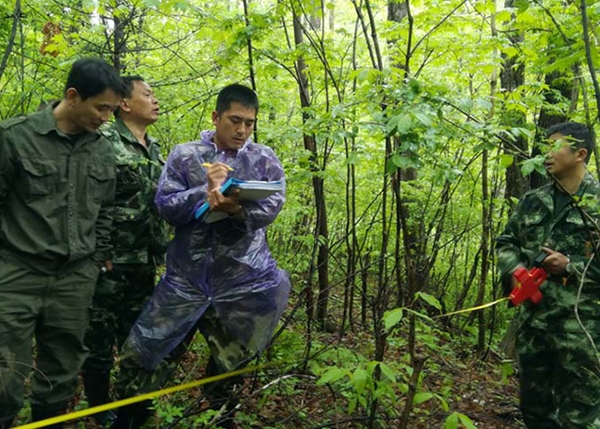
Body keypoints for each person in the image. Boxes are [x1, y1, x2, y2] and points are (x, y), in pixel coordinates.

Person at [109, 83, 290, 429]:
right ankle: (130, 418)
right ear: (216, 117)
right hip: (184, 281)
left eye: (249, 123)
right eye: (235, 120)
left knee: (231, 365)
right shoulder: (186, 154)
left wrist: (237, 209)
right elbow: (165, 204)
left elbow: (272, 205)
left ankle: (221, 417)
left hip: (241, 282)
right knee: (143, 354)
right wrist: (204, 195)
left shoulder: (263, 158)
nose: (241, 130)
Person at [0, 58, 127, 429]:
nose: (106, 117)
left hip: (74, 279)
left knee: (62, 372)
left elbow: (104, 209)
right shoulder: (14, 138)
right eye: (101, 107)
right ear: (73, 96)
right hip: (17, 273)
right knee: (5, 372)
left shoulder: (102, 150)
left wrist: (96, 258)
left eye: (112, 109)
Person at [497, 122, 600, 428]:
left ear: (580, 154)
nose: (546, 154)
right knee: (535, 411)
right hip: (535, 325)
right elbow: (506, 242)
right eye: (546, 146)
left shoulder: (596, 205)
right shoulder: (534, 200)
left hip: (582, 331)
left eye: (556, 147)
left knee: (580, 417)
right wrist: (515, 270)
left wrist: (570, 266)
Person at [81, 76, 169, 426]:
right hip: (108, 262)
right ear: (125, 104)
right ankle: (100, 411)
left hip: (144, 263)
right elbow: (88, 200)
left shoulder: (156, 147)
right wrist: (96, 251)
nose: (155, 100)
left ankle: (132, 409)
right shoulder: (102, 140)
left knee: (137, 342)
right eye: (148, 94)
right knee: (99, 344)